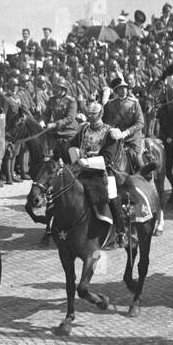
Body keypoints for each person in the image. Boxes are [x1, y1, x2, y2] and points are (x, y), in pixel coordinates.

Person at [72, 99, 125, 246]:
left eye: (93, 114)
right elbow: (74, 145)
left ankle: (121, 231)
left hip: (103, 171)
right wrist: (74, 155)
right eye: (89, 114)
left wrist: (88, 162)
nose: (90, 117)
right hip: (81, 168)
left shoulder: (110, 132)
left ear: (100, 114)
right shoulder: (83, 129)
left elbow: (108, 158)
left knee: (113, 197)